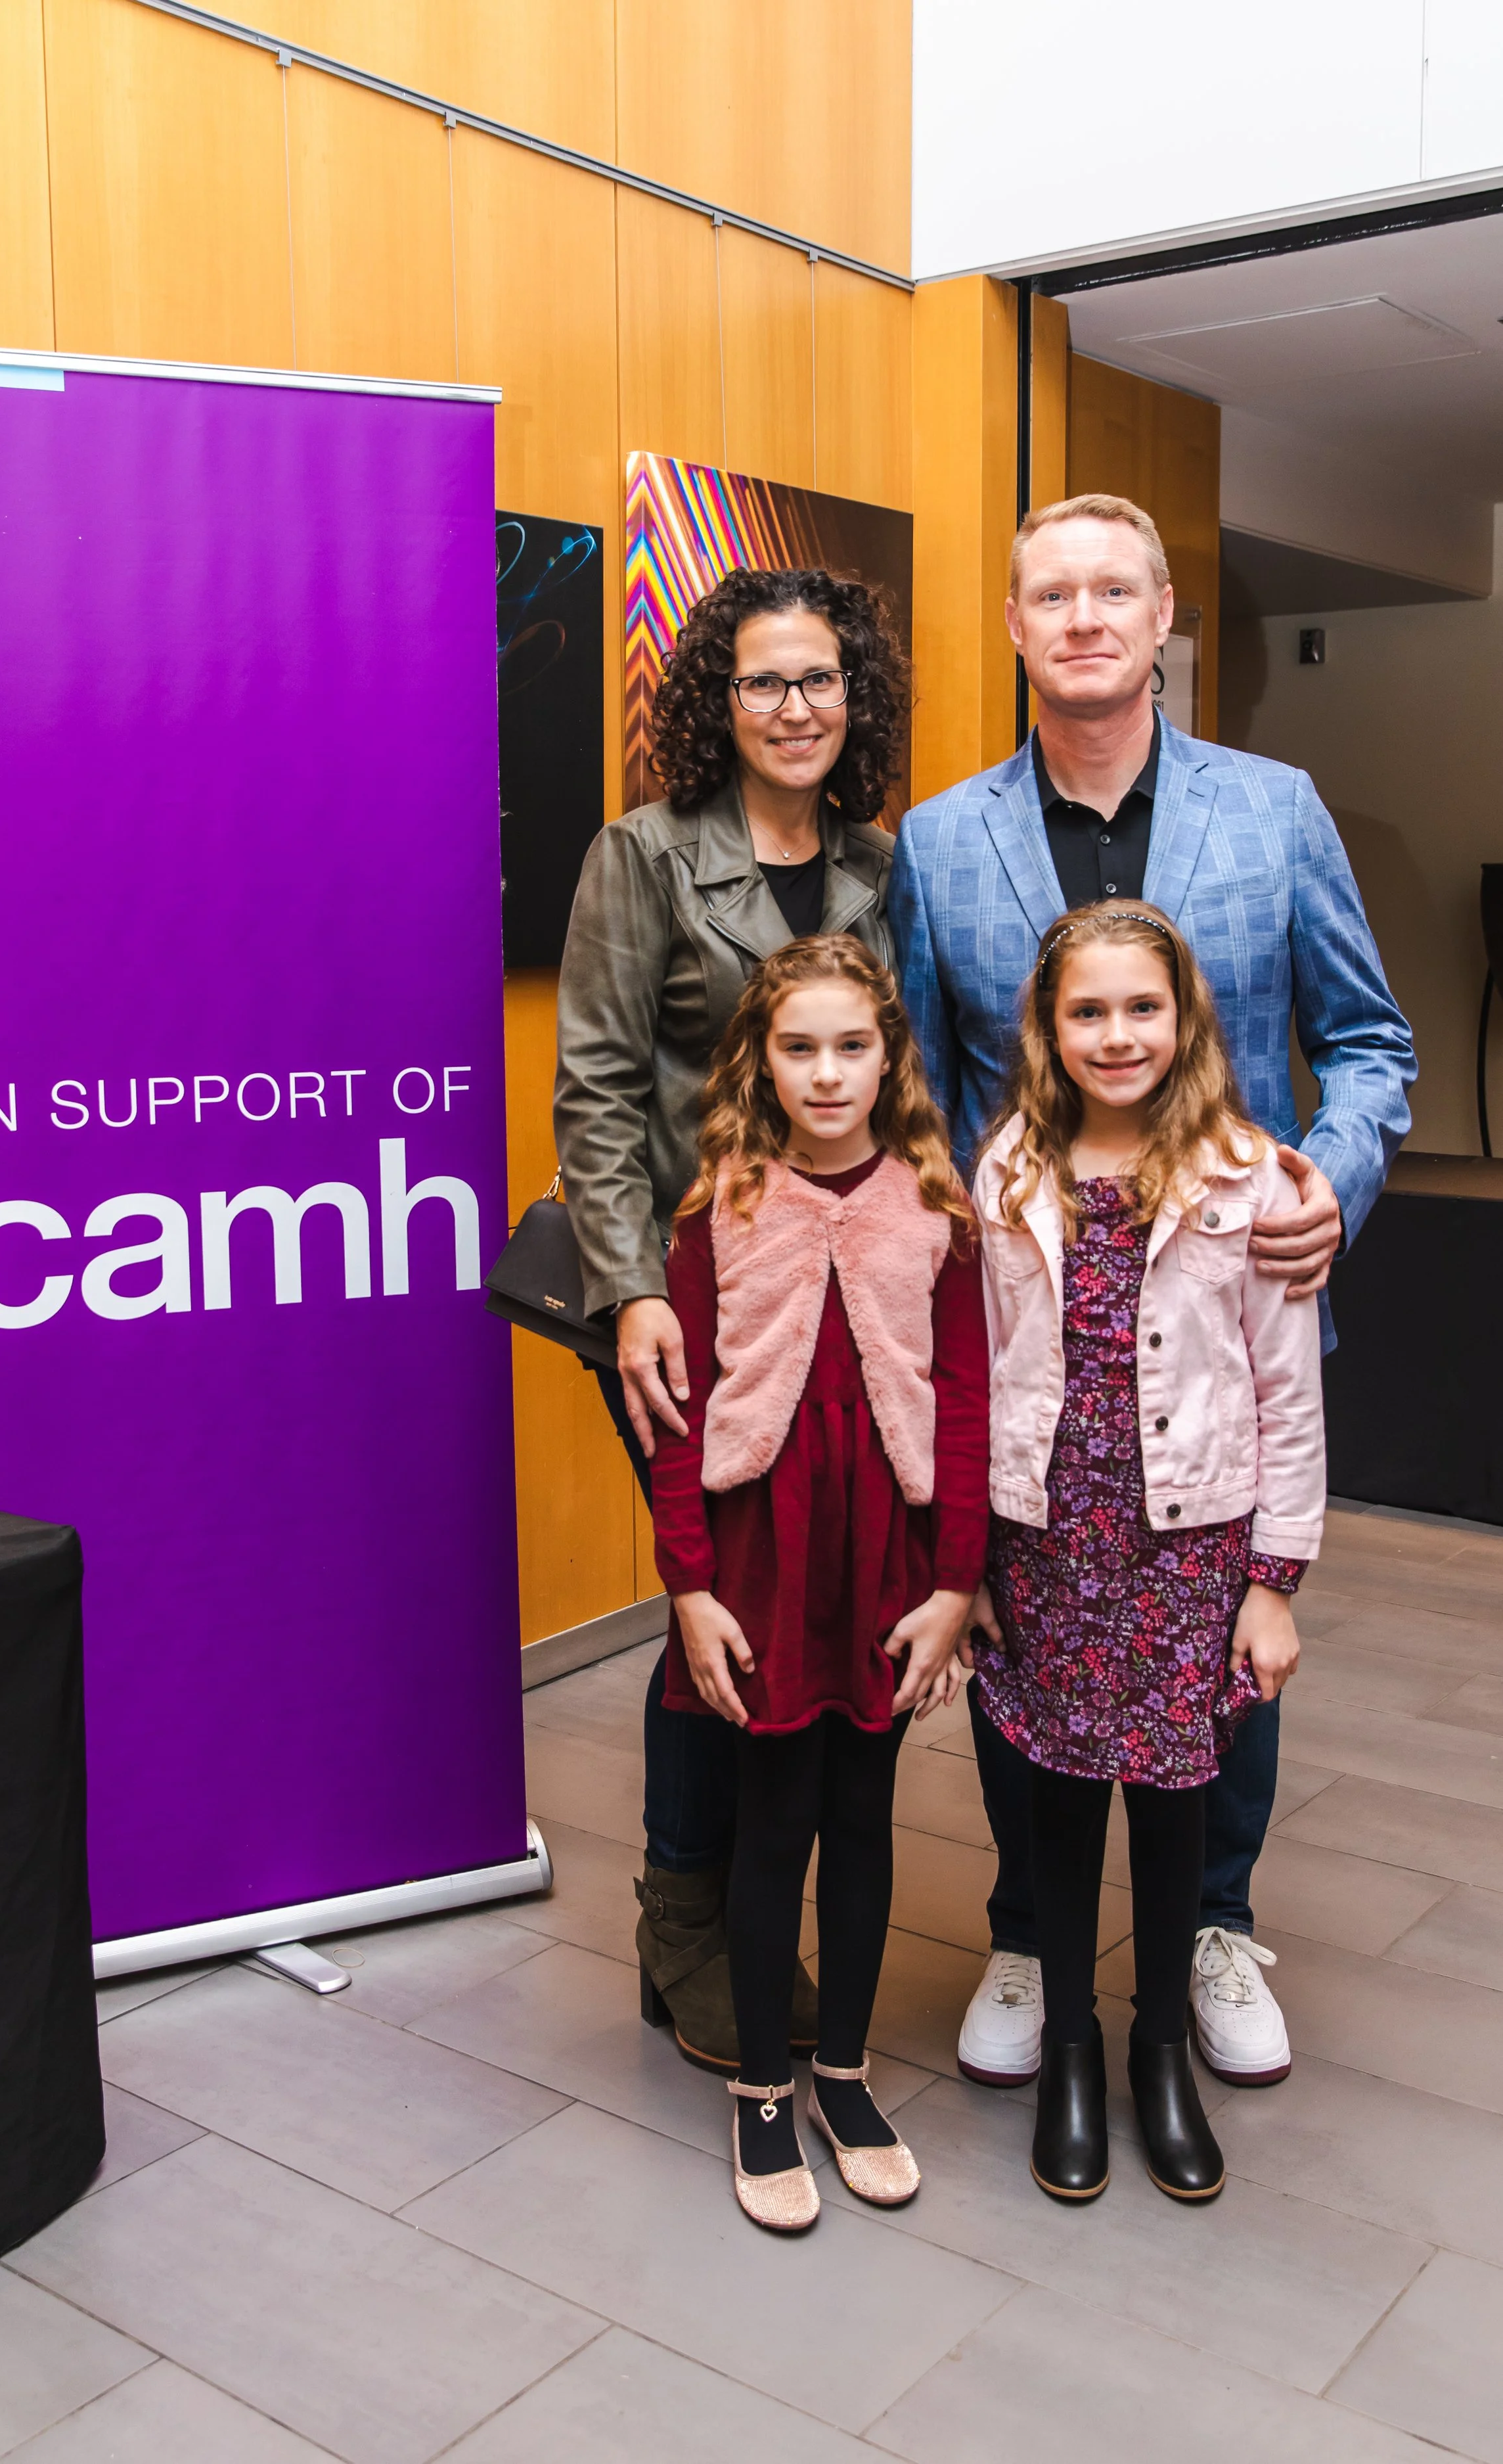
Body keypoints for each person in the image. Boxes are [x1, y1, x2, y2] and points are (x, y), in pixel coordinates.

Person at [889, 493, 1414, 2091]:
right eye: (1050, 593)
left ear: (1163, 612)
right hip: (1030, 1325)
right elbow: (916, 1087)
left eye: (1113, 588)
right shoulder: (936, 837)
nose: (1084, 617)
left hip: (1223, 1307)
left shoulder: (1276, 809)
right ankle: (1029, 1931)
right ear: (1013, 624)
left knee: (1218, 1639)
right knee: (1019, 1631)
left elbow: (1371, 1045)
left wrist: (1328, 1176)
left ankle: (1212, 1920)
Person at [555, 568, 911, 2073]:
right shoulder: (640, 857)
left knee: (800, 1606)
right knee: (714, 1612)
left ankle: (746, 1907)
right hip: (682, 1310)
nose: (792, 708)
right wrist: (632, 1288)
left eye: (818, 680)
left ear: (855, 697)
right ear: (717, 701)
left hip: (834, 1307)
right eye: (762, 682)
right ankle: (681, 1923)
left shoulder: (878, 868)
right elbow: (598, 1090)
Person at [969, 901, 1324, 2201]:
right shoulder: (1005, 1168)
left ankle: (1156, 2047)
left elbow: (1287, 1394)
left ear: (1182, 1020)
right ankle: (1069, 2043)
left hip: (1191, 1548)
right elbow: (980, 1376)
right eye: (1085, 1012)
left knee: (1175, 1796)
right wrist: (967, 1565)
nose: (1115, 1036)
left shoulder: (1248, 1172)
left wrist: (1271, 1585)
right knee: (1058, 1795)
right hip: (1048, 1545)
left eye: (1140, 1009)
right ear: (1046, 1030)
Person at [649, 935, 989, 2227]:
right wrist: (688, 1586)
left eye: (852, 1045)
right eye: (798, 1047)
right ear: (760, 1061)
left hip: (886, 1563)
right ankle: (758, 2088)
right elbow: (673, 1421)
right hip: (760, 1558)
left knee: (864, 1814)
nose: (827, 1072)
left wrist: (956, 1580)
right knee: (770, 1817)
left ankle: (841, 2071)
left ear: (889, 1055)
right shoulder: (717, 1207)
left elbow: (964, 1401)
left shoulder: (934, 1207)